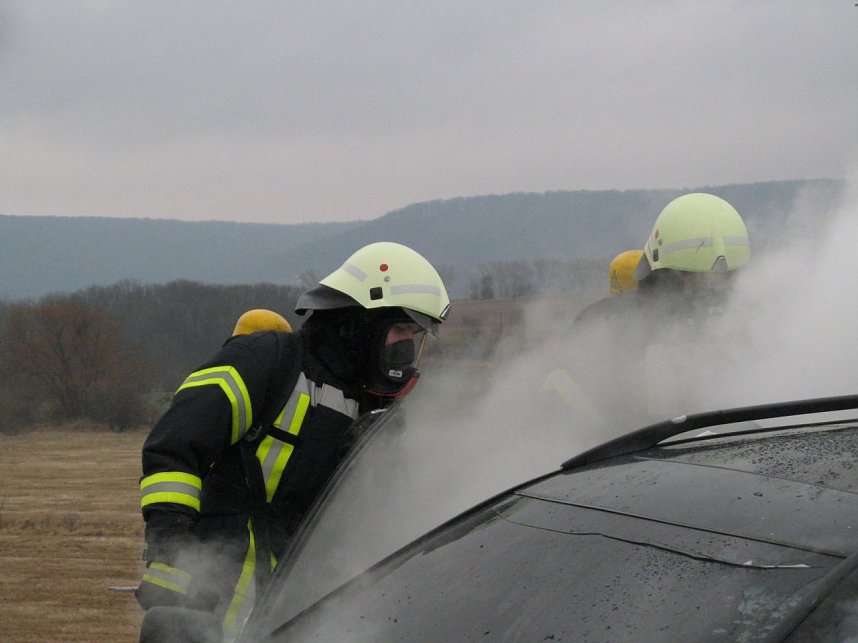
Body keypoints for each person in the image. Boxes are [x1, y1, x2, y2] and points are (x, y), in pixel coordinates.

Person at [135, 241, 450, 641]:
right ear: (361, 323)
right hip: (214, 585)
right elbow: (175, 448)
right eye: (400, 329)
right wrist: (172, 554)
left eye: (414, 334)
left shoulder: (376, 415)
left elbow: (385, 517)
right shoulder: (267, 359)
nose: (406, 346)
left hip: (305, 599)